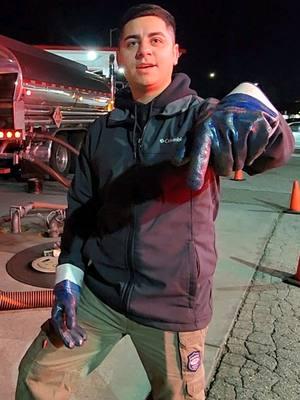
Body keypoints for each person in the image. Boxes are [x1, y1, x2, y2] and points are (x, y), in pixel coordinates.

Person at [16, 4, 295, 400]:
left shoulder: (201, 117)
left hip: (173, 306)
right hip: (101, 295)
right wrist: (68, 280)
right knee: (36, 377)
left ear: (175, 52)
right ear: (121, 57)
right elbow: (81, 209)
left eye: (155, 40)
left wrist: (259, 113)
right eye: (132, 42)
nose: (143, 50)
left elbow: (273, 152)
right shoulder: (102, 130)